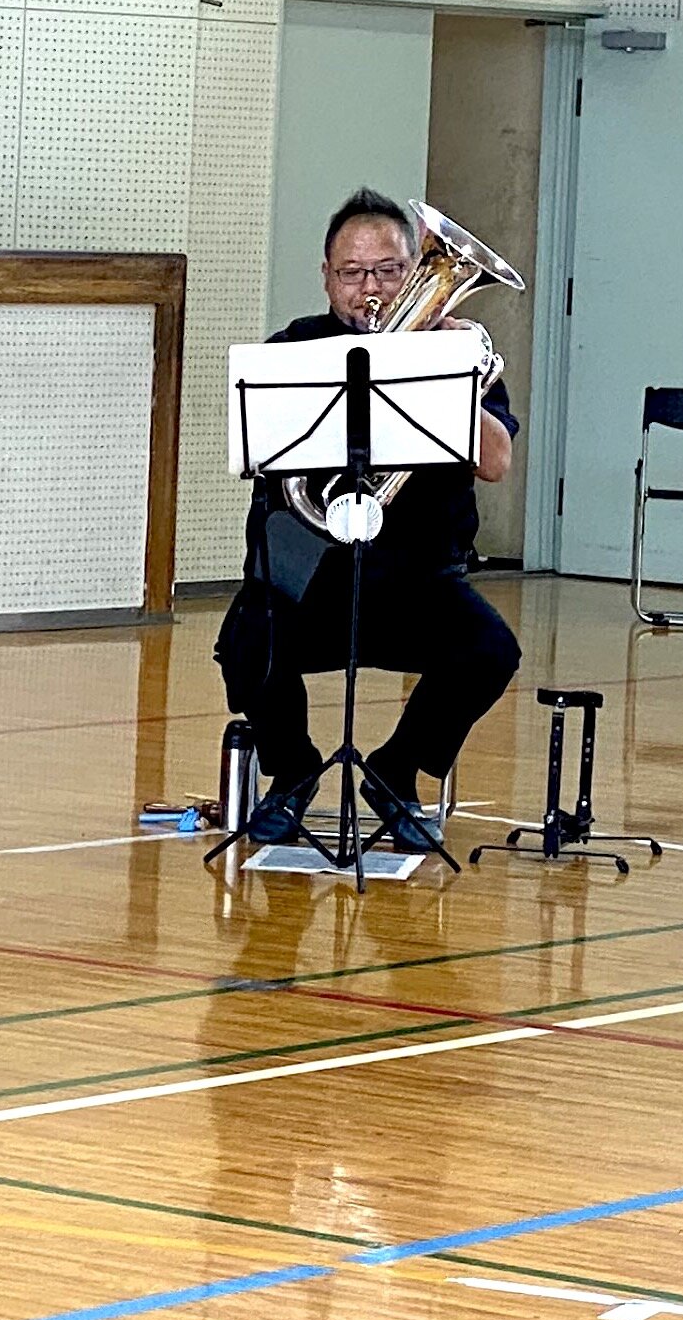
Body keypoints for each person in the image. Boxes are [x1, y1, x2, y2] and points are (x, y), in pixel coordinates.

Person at [215, 190, 522, 856]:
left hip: (417, 580)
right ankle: (292, 772)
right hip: (315, 576)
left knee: (491, 651)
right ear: (326, 277)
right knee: (246, 642)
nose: (371, 288)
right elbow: (265, 461)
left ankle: (395, 769)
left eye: (388, 270)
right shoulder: (294, 351)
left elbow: (496, 463)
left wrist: (457, 378)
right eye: (353, 273)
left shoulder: (458, 353)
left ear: (414, 273)